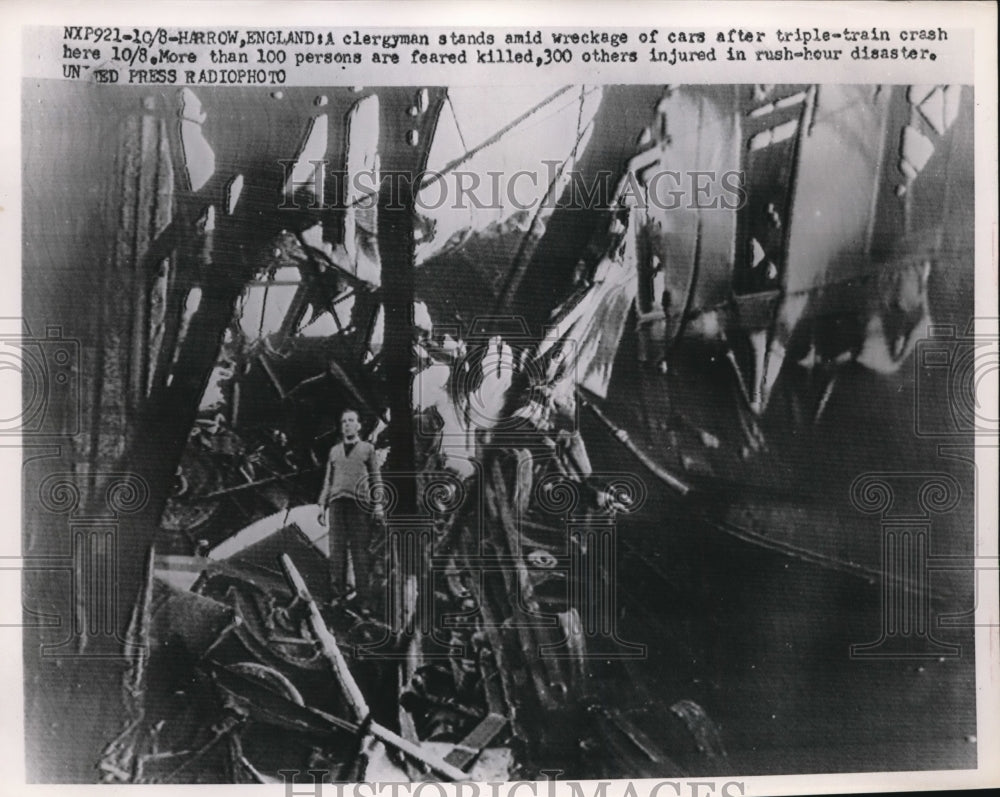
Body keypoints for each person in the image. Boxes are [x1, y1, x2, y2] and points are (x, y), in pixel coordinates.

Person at [317, 408, 384, 604]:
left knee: (359, 551)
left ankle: (364, 600)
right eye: (344, 421)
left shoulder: (367, 449)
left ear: (359, 425)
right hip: (337, 503)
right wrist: (322, 505)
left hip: (359, 503)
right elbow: (328, 481)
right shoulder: (334, 451)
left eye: (351, 420)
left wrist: (378, 504)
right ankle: (338, 596)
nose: (347, 424)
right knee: (337, 550)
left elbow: (375, 478)